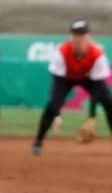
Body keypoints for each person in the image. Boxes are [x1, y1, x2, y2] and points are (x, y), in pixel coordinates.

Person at [32, 21, 112, 155]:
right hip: (66, 79)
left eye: (82, 35)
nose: (79, 39)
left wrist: (91, 116)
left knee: (109, 103)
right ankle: (38, 141)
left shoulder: (97, 54)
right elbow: (56, 86)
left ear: (89, 37)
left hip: (88, 78)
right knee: (51, 106)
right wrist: (57, 113)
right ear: (70, 37)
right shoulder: (61, 53)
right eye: (76, 35)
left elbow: (97, 89)